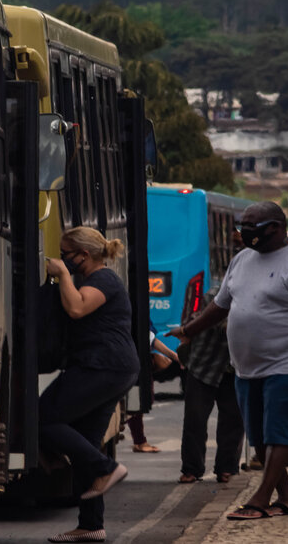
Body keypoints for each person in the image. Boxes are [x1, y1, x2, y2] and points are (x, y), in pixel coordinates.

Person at [169, 202, 288, 520]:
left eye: (250, 225)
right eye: (242, 224)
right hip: (246, 367)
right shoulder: (242, 260)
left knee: (279, 434)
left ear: (275, 227)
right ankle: (287, 499)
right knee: (258, 436)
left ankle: (260, 499)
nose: (243, 231)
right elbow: (220, 305)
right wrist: (189, 330)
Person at [40, 226, 141, 543]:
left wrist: (62, 276)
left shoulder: (104, 280)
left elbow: (77, 308)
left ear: (83, 255)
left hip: (104, 366)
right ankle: (91, 525)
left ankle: (107, 468)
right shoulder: (90, 278)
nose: (61, 259)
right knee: (85, 440)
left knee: (45, 417)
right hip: (105, 366)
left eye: (66, 254)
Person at [177, 319, 244, 485]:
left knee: (233, 419)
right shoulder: (212, 293)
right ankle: (191, 469)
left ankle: (226, 467)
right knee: (195, 418)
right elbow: (193, 315)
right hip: (204, 361)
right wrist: (186, 331)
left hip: (235, 366)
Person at [128, 332, 180, 453]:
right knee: (136, 401)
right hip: (133, 361)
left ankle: (138, 439)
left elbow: (149, 338)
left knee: (138, 400)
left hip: (136, 359)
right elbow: (149, 338)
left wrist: (173, 355)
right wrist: (173, 355)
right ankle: (139, 441)